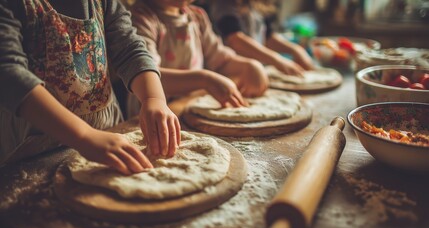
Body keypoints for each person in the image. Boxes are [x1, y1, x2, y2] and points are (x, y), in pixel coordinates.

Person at [0, 0, 181, 175]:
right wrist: (83, 136)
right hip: (32, 154)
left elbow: (130, 49)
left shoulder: (104, 2)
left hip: (108, 135)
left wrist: (154, 99)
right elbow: (8, 74)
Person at [127, 0, 269, 118]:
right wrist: (204, 80)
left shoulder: (197, 17)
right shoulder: (141, 18)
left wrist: (249, 66)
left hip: (188, 107)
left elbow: (219, 58)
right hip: (154, 118)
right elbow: (146, 76)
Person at [208, 0, 315, 76]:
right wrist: (277, 59)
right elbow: (235, 40)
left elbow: (268, 38)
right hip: (233, 74)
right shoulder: (223, 4)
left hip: (257, 72)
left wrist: (296, 50)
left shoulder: (256, 5)